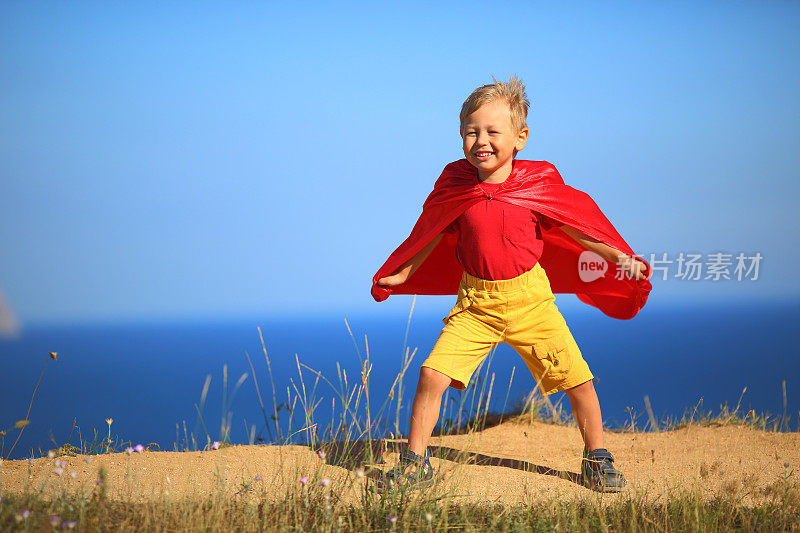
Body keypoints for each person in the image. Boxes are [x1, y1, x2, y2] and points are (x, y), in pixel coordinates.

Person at [372, 75, 651, 493]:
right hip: (476, 304)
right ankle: (415, 463)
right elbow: (432, 232)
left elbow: (578, 228)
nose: (481, 140)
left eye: (492, 131)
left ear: (520, 137)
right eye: (471, 131)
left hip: (530, 302)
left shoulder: (537, 184)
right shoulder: (455, 185)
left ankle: (597, 457)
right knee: (432, 374)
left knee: (578, 380)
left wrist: (618, 258)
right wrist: (405, 273)